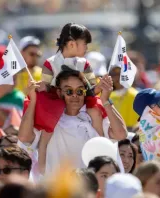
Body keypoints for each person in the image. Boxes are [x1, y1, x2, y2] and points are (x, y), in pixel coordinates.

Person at [18, 69, 127, 175]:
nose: (75, 95)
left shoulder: (94, 115)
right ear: (59, 93)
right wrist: (32, 100)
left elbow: (121, 135)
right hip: (57, 188)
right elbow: (24, 138)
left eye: (80, 91)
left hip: (90, 187)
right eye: (69, 91)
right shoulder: (48, 117)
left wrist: (105, 100)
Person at [33, 23, 106, 173]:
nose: (86, 48)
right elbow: (45, 86)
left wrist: (103, 86)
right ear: (72, 44)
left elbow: (92, 88)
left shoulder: (85, 64)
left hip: (82, 102)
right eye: (85, 44)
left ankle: (103, 148)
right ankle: (41, 165)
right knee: (47, 130)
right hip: (55, 104)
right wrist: (41, 87)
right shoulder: (50, 63)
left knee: (96, 113)